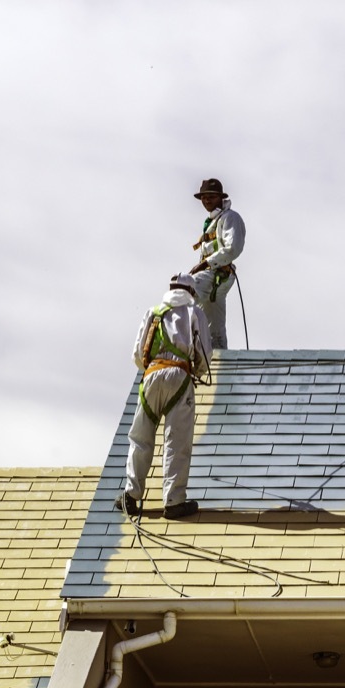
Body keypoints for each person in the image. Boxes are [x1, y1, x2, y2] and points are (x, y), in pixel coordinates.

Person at [117, 273, 212, 520]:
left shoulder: (153, 312)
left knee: (140, 437)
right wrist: (197, 370)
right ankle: (173, 501)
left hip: (151, 376)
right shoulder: (194, 313)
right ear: (191, 293)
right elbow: (203, 354)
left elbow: (138, 354)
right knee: (176, 441)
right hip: (179, 377)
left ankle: (131, 495)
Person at [188, 178, 246, 350]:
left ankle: (176, 344)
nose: (206, 200)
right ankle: (219, 358)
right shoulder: (213, 221)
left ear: (220, 197)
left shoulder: (230, 217)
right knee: (214, 325)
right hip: (215, 274)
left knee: (184, 291)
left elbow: (233, 248)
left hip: (218, 272)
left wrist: (205, 264)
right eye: (204, 197)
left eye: (211, 197)